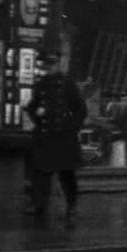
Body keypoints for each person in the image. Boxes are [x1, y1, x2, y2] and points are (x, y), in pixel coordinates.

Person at [23, 50, 87, 225]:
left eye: (52, 64)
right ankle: (40, 205)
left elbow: (81, 110)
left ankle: (71, 206)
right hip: (46, 137)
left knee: (67, 175)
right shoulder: (41, 84)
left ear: (58, 65)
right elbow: (31, 107)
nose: (49, 68)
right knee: (42, 174)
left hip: (64, 138)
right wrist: (39, 123)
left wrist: (71, 128)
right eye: (47, 65)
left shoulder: (67, 84)